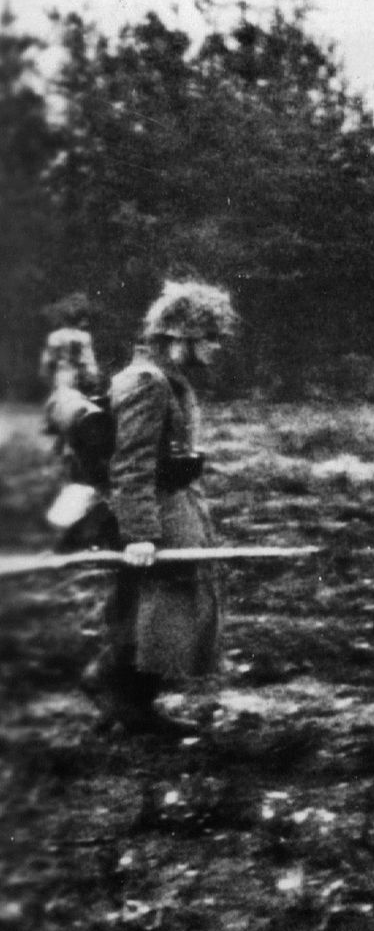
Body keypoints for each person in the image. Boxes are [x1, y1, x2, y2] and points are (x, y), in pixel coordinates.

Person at [82, 280, 238, 735]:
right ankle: (124, 697)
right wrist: (139, 535)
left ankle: (124, 697)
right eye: (208, 337)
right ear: (177, 336)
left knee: (155, 603)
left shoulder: (165, 380)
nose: (215, 347)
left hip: (174, 501)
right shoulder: (147, 384)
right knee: (165, 603)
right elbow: (130, 465)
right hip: (157, 509)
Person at [40, 306, 115, 548]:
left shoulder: (56, 340)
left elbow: (48, 366)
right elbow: (88, 365)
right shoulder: (82, 339)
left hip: (63, 385)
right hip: (77, 384)